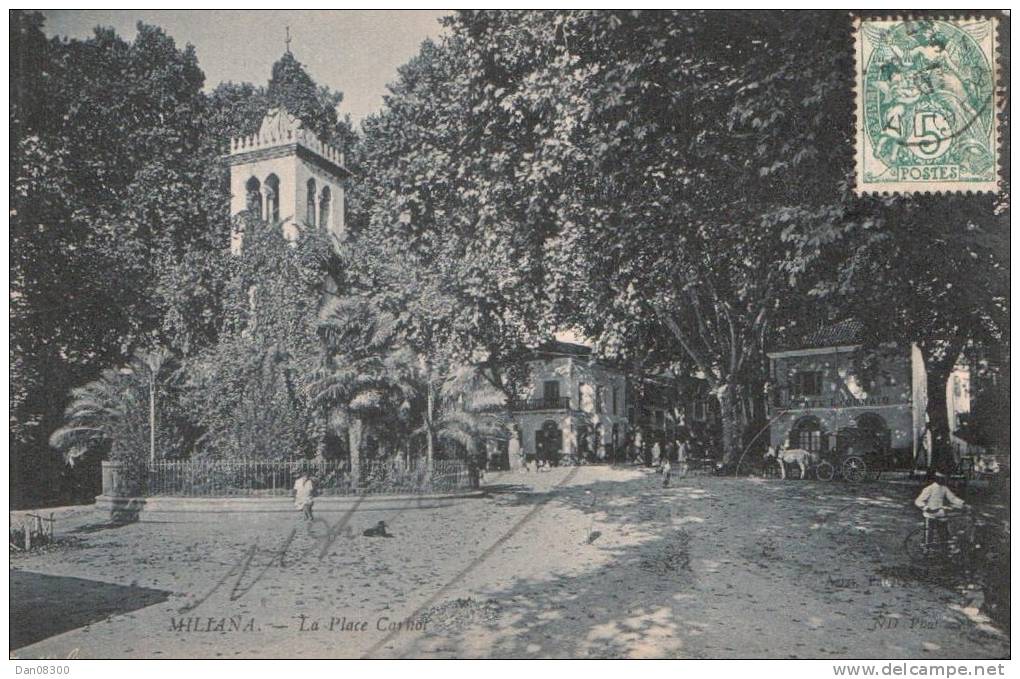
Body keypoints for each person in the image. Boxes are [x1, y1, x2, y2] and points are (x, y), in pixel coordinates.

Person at [914, 472, 965, 555]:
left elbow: (952, 498)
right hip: (930, 514)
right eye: (941, 479)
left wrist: (963, 504)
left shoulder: (944, 488)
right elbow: (918, 501)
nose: (944, 481)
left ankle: (944, 551)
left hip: (940, 513)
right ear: (937, 479)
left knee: (943, 532)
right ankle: (927, 550)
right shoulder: (929, 488)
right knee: (929, 533)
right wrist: (926, 508)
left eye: (944, 479)